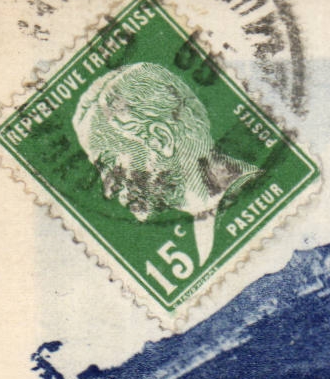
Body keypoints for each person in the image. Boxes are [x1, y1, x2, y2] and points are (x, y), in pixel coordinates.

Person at [72, 61, 260, 267]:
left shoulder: (254, 194)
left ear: (162, 139)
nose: (109, 189)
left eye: (109, 163)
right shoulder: (206, 224)